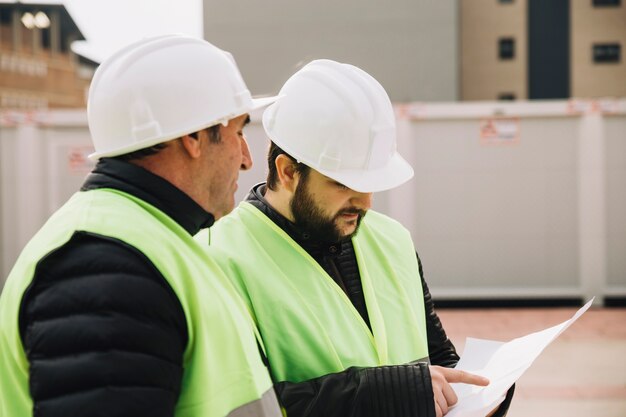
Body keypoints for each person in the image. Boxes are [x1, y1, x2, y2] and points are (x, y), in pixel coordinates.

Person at [200, 60, 515, 417]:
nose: (365, 202)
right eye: (343, 183)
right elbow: (237, 406)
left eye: (371, 183)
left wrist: (482, 394)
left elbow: (439, 360)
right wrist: (392, 395)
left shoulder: (391, 239)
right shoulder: (217, 259)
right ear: (287, 172)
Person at [0, 34, 283, 417]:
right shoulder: (104, 268)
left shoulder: (146, 243)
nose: (247, 159)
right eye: (237, 132)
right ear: (194, 137)